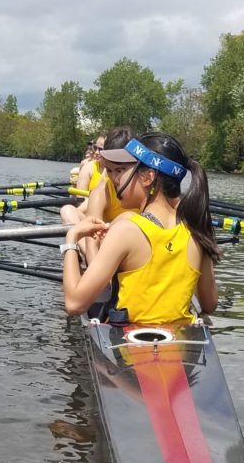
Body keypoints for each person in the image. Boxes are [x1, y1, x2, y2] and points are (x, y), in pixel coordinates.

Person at [61, 133, 219, 325]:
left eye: (123, 171)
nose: (115, 179)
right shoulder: (197, 229)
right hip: (180, 345)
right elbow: (209, 304)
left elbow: (74, 303)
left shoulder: (126, 230)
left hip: (128, 347)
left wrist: (71, 239)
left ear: (147, 177)